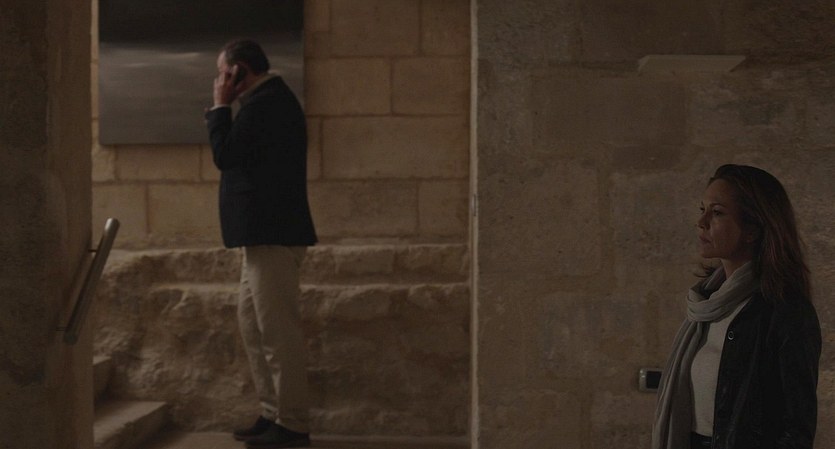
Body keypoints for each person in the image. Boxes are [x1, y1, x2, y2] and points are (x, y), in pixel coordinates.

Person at [652, 164, 821, 449]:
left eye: (717, 212)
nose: (701, 222)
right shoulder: (705, 304)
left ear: (752, 229)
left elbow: (796, 429)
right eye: (702, 209)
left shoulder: (785, 311)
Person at [205, 39, 317, 449]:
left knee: (277, 332)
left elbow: (225, 154)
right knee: (255, 328)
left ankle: (293, 424)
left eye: (223, 73)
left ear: (239, 71)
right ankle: (274, 413)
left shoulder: (267, 104)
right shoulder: (265, 102)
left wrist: (220, 107)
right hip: (261, 236)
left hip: (272, 234)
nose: (219, 81)